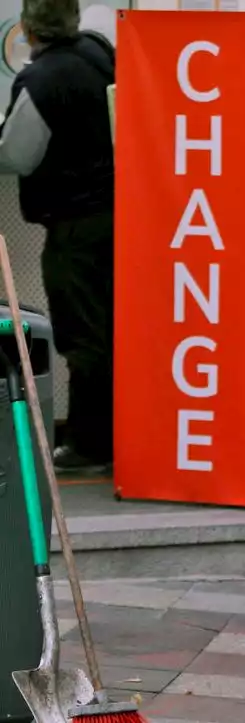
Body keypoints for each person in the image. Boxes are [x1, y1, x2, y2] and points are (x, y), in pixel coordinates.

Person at [0, 0, 115, 472]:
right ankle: (114, 438)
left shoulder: (43, 79)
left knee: (82, 333)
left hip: (74, 225)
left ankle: (89, 445)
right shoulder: (99, 55)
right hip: (116, 213)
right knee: (111, 327)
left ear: (26, 28)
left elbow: (18, 156)